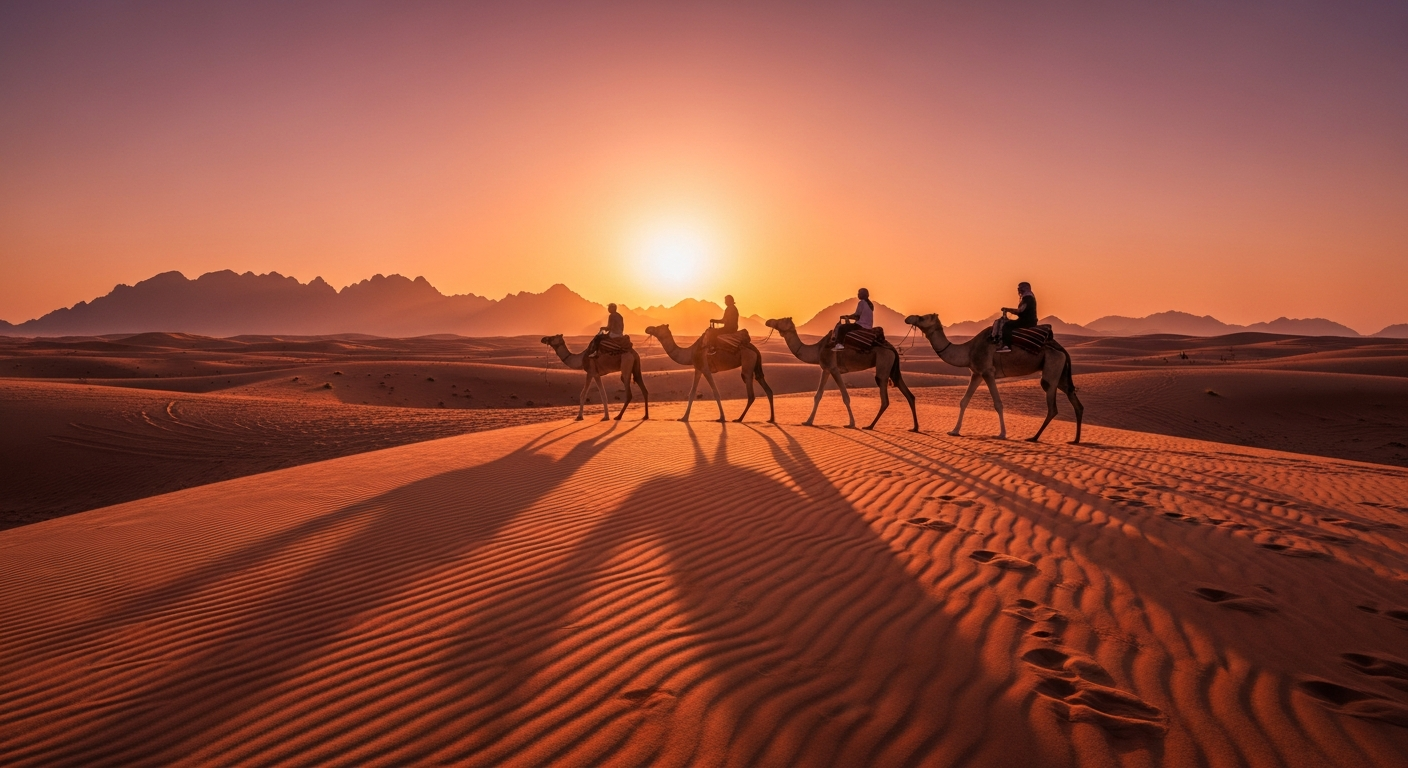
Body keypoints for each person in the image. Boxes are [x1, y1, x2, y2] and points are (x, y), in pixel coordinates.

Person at [991, 282, 1037, 352]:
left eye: (1020, 288)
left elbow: (1020, 311)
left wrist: (1008, 309)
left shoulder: (1028, 298)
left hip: (1027, 321)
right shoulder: (1027, 298)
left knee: (1007, 325)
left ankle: (1006, 345)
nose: (1018, 290)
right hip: (1027, 320)